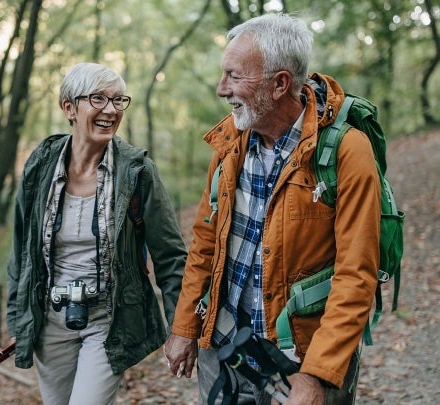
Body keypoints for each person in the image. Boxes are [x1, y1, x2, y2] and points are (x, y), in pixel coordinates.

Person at [163, 13, 381, 405]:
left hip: (300, 357)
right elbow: (205, 242)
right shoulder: (231, 141)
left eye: (234, 76)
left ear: (280, 84)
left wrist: (316, 375)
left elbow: (356, 276)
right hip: (226, 344)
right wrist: (184, 326)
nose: (221, 88)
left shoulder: (347, 153)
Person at [6, 62, 187, 405]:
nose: (111, 110)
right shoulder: (40, 164)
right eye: (99, 99)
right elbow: (20, 249)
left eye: (119, 100)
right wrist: (19, 318)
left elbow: (170, 256)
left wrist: (181, 328)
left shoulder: (137, 171)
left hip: (108, 318)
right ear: (69, 108)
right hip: (50, 318)